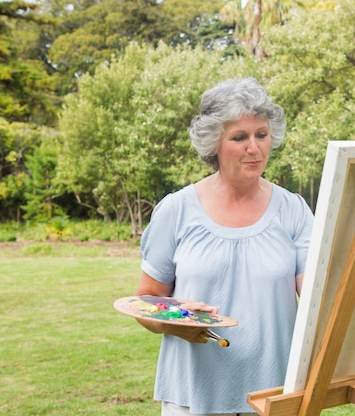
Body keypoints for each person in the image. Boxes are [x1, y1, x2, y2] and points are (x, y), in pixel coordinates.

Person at [135, 77, 314, 416]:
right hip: (192, 394)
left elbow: (318, 294)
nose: (255, 147)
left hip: (272, 396)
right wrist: (176, 322)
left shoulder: (294, 209)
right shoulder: (177, 210)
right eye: (239, 137)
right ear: (213, 143)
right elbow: (147, 301)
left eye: (262, 134)